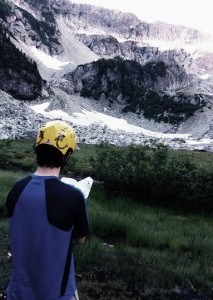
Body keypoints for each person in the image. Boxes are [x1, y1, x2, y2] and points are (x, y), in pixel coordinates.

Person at [5, 120, 90, 300]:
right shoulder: (73, 196)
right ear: (66, 156)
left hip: (17, 293)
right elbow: (81, 239)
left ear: (37, 149)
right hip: (56, 293)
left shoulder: (16, 189)